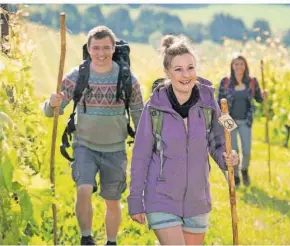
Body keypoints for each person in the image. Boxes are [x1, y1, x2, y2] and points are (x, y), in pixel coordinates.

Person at [127, 35, 239, 245]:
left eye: (190, 67)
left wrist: (228, 158)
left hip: (197, 199)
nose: (186, 75)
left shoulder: (209, 103)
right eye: (178, 69)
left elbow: (218, 142)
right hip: (161, 197)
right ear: (167, 72)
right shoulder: (154, 108)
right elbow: (140, 156)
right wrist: (135, 200)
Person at [42, 26, 144, 245]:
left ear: (113, 48)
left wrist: (146, 142)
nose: (101, 53)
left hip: (115, 148)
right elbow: (52, 111)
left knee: (112, 200)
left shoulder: (127, 78)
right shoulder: (78, 75)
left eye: (106, 48)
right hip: (84, 145)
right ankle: (86, 238)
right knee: (84, 189)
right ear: (88, 49)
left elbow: (138, 112)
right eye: (96, 48)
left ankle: (111, 241)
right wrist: (52, 103)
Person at [217, 54, 267, 187]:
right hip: (229, 121)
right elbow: (219, 103)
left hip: (246, 120)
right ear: (232, 66)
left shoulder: (252, 81)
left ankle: (244, 170)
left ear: (245, 66)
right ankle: (237, 176)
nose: (239, 67)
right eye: (236, 64)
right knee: (234, 151)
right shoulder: (225, 82)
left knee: (247, 151)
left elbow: (259, 99)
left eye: (241, 64)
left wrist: (263, 96)